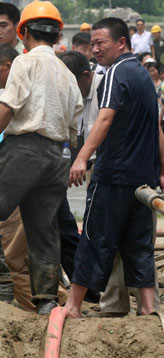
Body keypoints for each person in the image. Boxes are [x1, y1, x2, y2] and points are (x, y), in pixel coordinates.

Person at [0, 1, 82, 314]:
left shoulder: (25, 63)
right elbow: (73, 127)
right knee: (43, 231)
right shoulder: (68, 74)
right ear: (58, 35)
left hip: (24, 149)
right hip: (56, 155)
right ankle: (45, 300)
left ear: (23, 32)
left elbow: (8, 106)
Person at [65, 17, 162, 319]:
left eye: (100, 43)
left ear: (121, 42)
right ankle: (148, 310)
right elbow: (157, 128)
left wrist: (82, 157)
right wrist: (160, 170)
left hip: (114, 177)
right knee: (138, 246)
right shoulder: (143, 76)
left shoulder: (115, 73)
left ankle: (72, 306)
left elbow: (105, 118)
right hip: (141, 181)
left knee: (95, 239)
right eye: (91, 44)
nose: (94, 50)